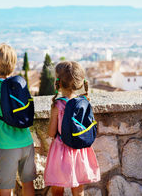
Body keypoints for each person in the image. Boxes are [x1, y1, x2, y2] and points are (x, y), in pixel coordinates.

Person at [0, 43, 36, 196]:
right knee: (28, 183)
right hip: (26, 142)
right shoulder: (20, 84)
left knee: (6, 188)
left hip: (6, 146)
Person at [44, 61, 100, 196]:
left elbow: (52, 133)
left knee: (58, 188)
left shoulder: (58, 105)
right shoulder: (84, 102)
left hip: (61, 151)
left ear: (58, 82)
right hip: (80, 151)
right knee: (78, 188)